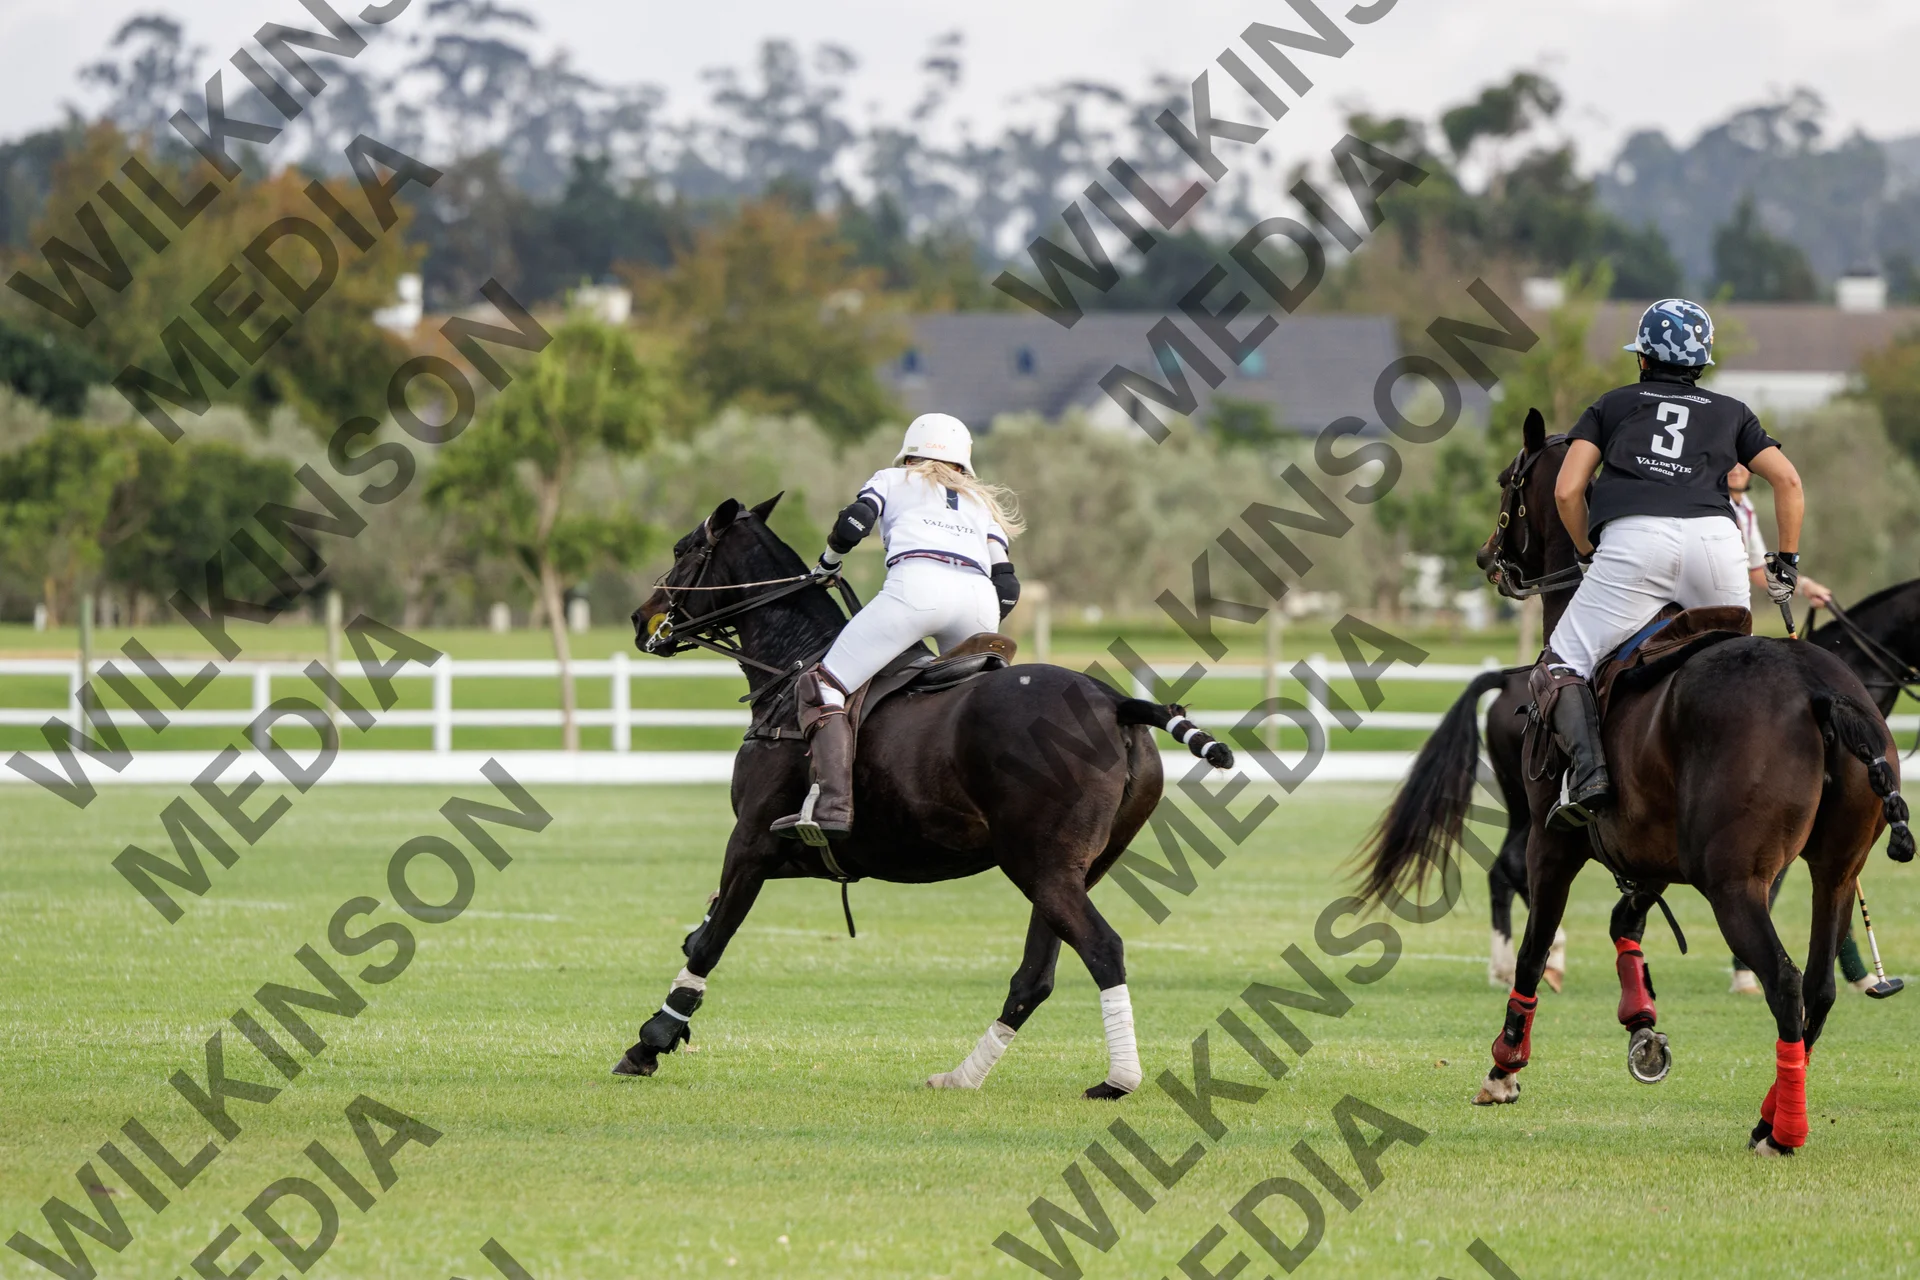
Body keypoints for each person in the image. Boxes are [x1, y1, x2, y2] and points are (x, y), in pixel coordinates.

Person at [1538, 298, 1808, 830]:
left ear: (1642, 358)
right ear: (1701, 363)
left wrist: (1587, 551)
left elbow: (1567, 491)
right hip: (1717, 545)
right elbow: (1789, 481)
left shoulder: (1611, 404)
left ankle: (1588, 778)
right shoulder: (1732, 411)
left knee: (1561, 664)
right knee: (1737, 669)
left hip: (1635, 543)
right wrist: (1787, 561)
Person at [771, 413, 1024, 841]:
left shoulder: (892, 479)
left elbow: (853, 523)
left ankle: (833, 805)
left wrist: (828, 564)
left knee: (822, 686)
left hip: (917, 586)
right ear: (963, 462)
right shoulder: (980, 502)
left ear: (910, 454)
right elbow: (1008, 586)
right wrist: (985, 618)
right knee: (974, 703)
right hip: (979, 599)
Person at [1728, 463, 1831, 608]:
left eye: (1741, 463)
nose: (1735, 469)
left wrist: (1805, 586)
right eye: (1730, 463)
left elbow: (1758, 571)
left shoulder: (1747, 508)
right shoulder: (1715, 506)